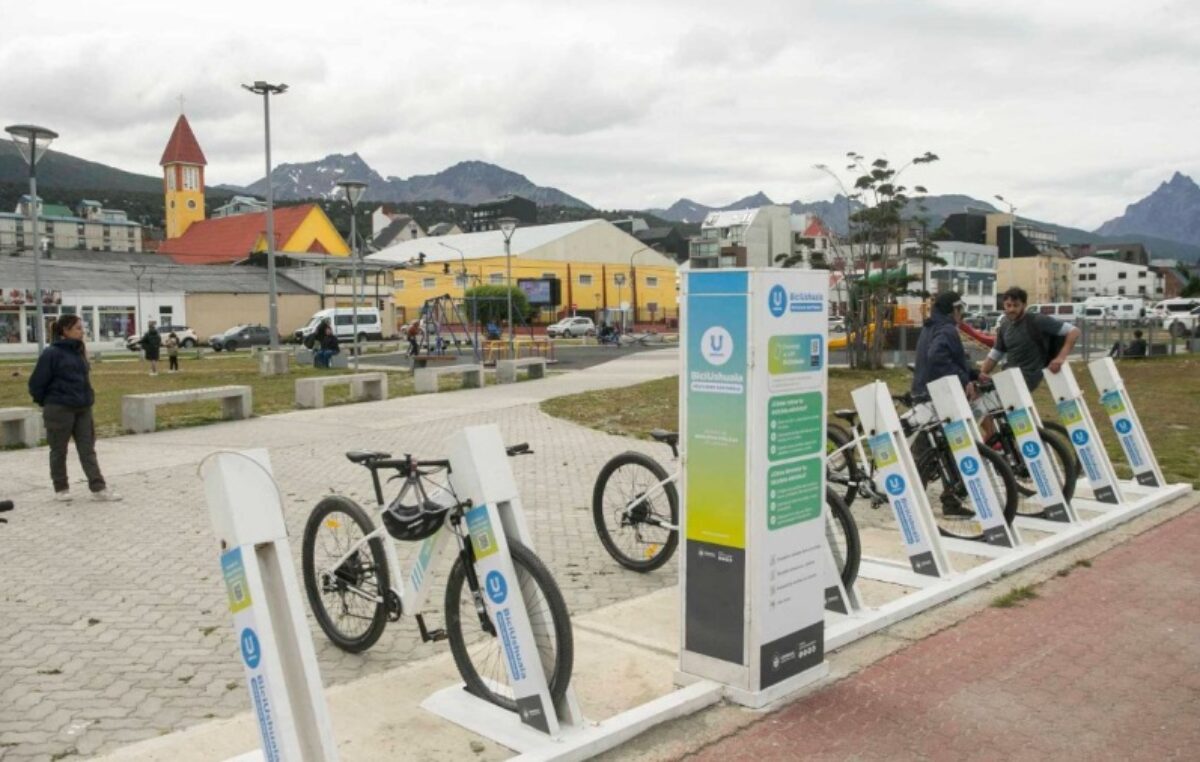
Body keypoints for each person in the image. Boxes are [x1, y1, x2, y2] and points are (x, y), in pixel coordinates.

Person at [27, 314, 121, 502]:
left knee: (87, 449)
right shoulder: (51, 353)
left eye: (82, 327)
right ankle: (61, 488)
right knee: (59, 450)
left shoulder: (79, 351)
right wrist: (47, 402)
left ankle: (98, 488)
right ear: (65, 331)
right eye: (78, 328)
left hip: (83, 407)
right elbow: (36, 383)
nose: (82, 331)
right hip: (59, 408)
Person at [979, 287, 1081, 392]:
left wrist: (1060, 358)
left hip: (1029, 377)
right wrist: (981, 374)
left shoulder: (1038, 320)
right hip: (1009, 373)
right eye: (1008, 305)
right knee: (983, 397)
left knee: (999, 401)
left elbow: (1074, 332)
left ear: (1024, 305)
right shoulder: (1004, 324)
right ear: (1003, 305)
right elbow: (996, 353)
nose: (1011, 309)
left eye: (1016, 305)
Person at [911, 292, 979, 399]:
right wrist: (964, 381)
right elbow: (936, 356)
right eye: (960, 309)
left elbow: (949, 361)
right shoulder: (947, 329)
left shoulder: (929, 327)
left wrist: (975, 375)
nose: (962, 314)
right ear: (954, 310)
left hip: (921, 392)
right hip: (938, 396)